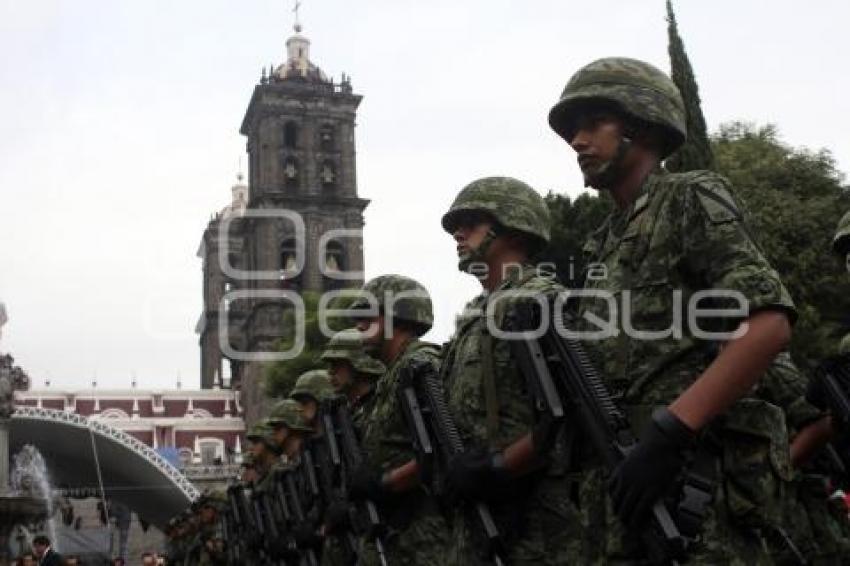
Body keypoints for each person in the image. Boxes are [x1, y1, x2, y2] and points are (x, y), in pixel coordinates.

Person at [548, 56, 798, 562]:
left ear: (641, 125)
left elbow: (768, 324)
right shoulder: (602, 242)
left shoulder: (689, 195)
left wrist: (672, 429)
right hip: (623, 495)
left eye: (594, 123)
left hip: (694, 488)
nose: (577, 141)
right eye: (572, 130)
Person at [438, 176, 584, 565]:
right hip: (477, 523)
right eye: (456, 225)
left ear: (512, 225)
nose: (458, 232)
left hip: (537, 527)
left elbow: (570, 411)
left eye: (472, 222)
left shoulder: (541, 299)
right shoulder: (476, 315)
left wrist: (498, 467)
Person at [347, 275, 451, 565]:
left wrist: (385, 483)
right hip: (398, 537)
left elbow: (442, 448)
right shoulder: (391, 377)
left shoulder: (421, 365)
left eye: (367, 318)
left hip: (426, 539)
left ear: (397, 317)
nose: (359, 328)